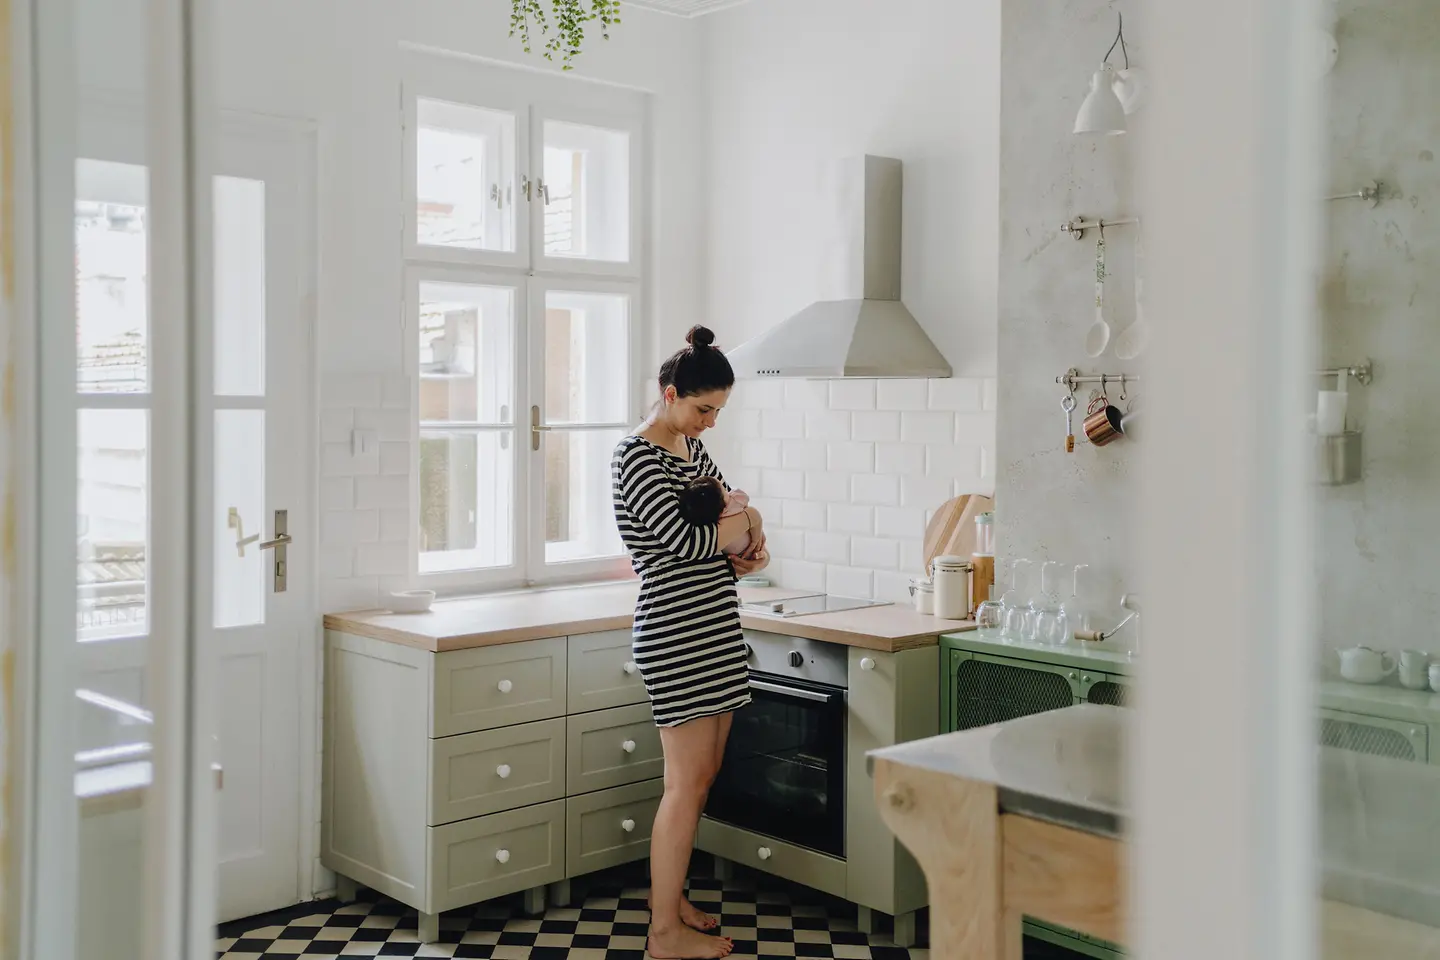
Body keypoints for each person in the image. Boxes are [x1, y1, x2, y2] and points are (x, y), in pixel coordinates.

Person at [610, 325, 768, 960]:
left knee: (701, 778)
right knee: (684, 782)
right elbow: (689, 542)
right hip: (675, 632)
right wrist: (742, 524)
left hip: (716, 625)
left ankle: (669, 902)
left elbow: (735, 527)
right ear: (670, 393)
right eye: (704, 409)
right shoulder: (637, 456)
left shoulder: (691, 453)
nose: (709, 423)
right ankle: (663, 936)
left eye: (718, 412)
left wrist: (749, 539)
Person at [676, 476, 754, 557]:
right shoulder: (734, 503)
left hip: (733, 555)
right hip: (749, 547)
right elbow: (744, 498)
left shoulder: (706, 518)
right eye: (724, 489)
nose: (728, 492)